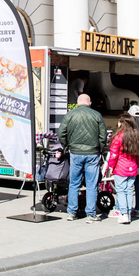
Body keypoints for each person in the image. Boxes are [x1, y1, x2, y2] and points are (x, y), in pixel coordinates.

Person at [58, 93, 107, 223]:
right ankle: (91, 214)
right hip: (92, 153)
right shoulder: (96, 115)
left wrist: (66, 146)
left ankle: (71, 212)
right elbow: (103, 136)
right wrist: (100, 148)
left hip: (75, 152)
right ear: (89, 103)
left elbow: (61, 132)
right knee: (92, 184)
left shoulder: (70, 115)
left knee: (74, 183)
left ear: (78, 103)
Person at [105, 114, 139, 224]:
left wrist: (111, 166)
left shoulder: (118, 137)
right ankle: (128, 211)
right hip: (133, 167)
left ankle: (123, 213)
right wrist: (137, 164)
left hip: (121, 168)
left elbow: (114, 154)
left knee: (121, 191)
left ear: (122, 123)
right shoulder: (136, 135)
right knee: (129, 191)